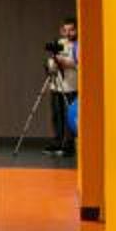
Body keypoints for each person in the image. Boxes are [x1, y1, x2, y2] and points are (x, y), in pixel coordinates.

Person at [47, 19, 80, 158]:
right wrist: (52, 63)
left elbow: (81, 64)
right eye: (65, 30)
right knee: (56, 115)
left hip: (71, 87)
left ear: (77, 30)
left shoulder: (80, 44)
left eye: (71, 30)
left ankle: (68, 145)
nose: (68, 33)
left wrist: (67, 63)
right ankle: (57, 142)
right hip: (57, 86)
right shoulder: (60, 43)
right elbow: (52, 61)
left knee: (69, 117)